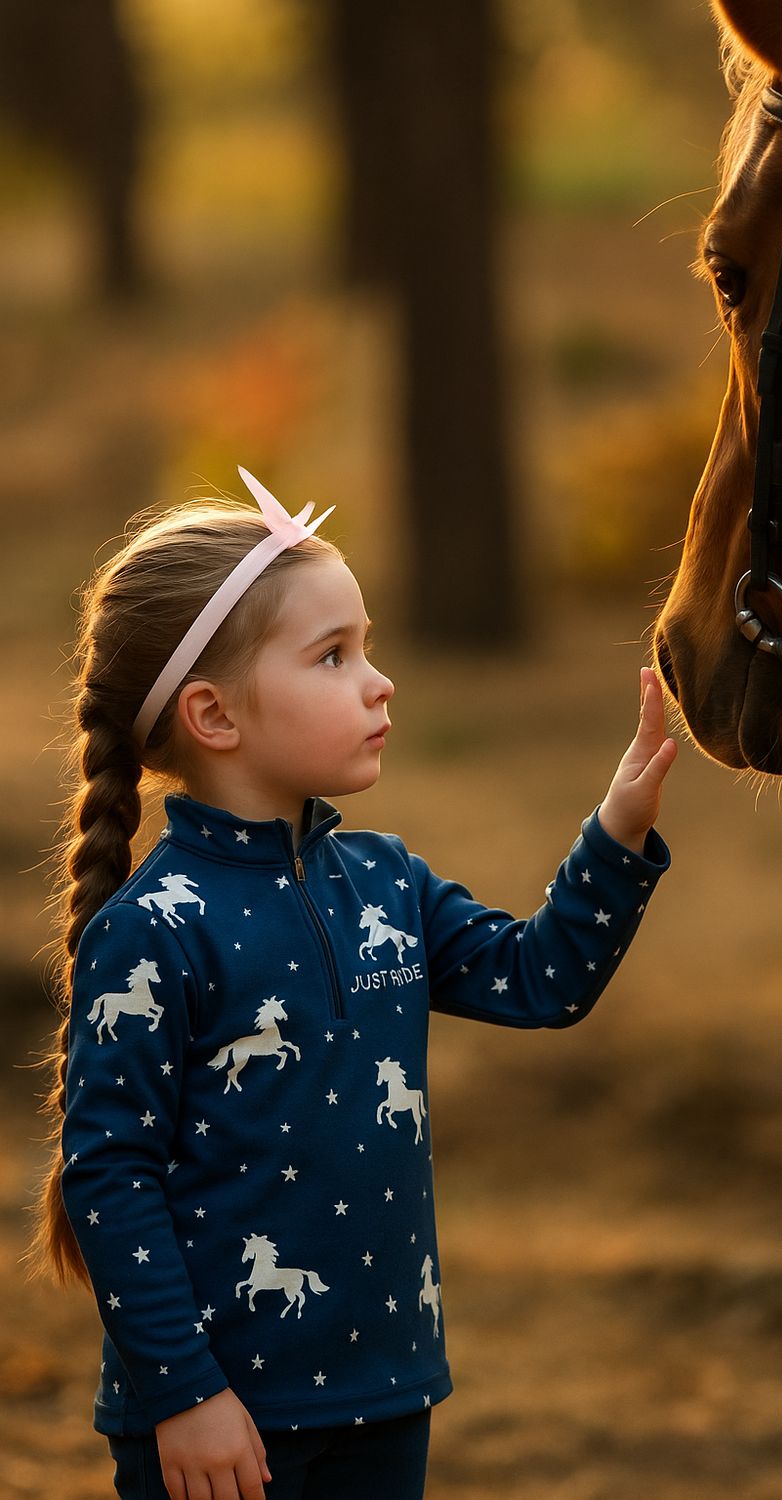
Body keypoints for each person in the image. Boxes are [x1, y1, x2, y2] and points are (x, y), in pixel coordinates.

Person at [29, 468, 678, 1500]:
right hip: (221, 1425)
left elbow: (539, 978)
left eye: (366, 646)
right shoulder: (154, 932)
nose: (378, 681)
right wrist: (183, 1396)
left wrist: (617, 831)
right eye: (333, 656)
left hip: (386, 1391)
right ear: (214, 714)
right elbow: (108, 1180)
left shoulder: (386, 884)